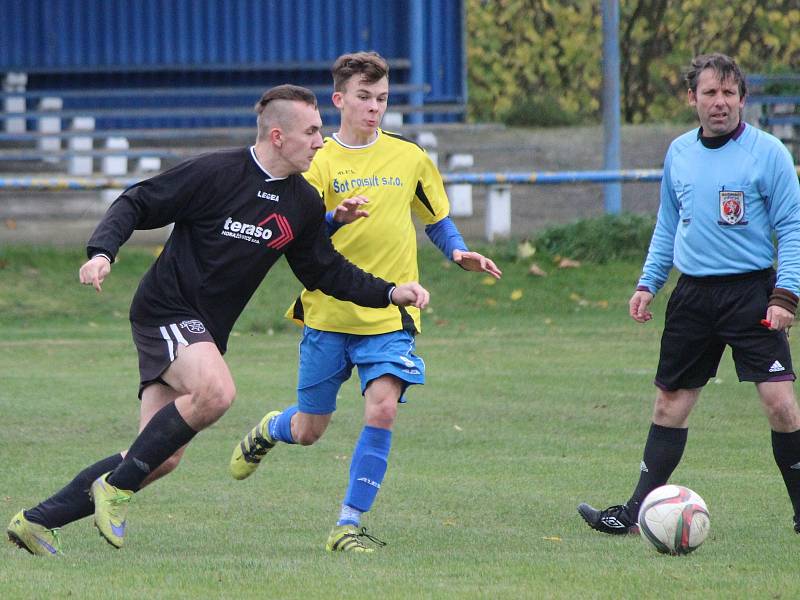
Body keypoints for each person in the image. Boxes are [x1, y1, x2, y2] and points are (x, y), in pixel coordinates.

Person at [6, 84, 430, 556]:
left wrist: (390, 292)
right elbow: (137, 201)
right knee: (217, 392)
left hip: (204, 331)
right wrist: (102, 251)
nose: (319, 140)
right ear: (277, 136)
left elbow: (324, 271)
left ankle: (34, 521)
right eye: (311, 131)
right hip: (165, 311)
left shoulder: (303, 204)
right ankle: (116, 488)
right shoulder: (216, 172)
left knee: (159, 457)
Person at [229, 51, 502, 553]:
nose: (374, 108)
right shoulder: (317, 162)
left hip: (390, 313)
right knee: (310, 429)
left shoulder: (409, 157)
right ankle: (271, 428)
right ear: (339, 100)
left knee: (382, 410)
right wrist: (335, 219)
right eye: (363, 98)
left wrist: (458, 251)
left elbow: (435, 217)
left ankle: (347, 525)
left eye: (381, 99)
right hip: (329, 311)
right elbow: (300, 236)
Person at [578, 53, 800, 535]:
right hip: (693, 296)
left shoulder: (769, 154)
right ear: (692, 99)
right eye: (709, 93)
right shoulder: (679, 152)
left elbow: (793, 227)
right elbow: (667, 225)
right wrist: (648, 282)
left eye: (727, 93)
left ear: (742, 97)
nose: (719, 103)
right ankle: (635, 515)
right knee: (670, 405)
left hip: (752, 294)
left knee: (781, 403)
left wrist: (785, 297)